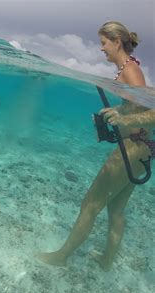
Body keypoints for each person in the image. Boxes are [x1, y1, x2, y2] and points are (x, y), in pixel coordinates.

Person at [37, 21, 155, 271]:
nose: (101, 49)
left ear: (117, 42)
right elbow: (137, 106)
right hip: (139, 147)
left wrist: (124, 119)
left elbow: (151, 113)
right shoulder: (127, 68)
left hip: (132, 147)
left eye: (103, 43)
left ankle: (62, 256)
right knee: (116, 208)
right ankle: (106, 261)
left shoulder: (131, 71)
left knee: (90, 204)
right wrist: (116, 110)